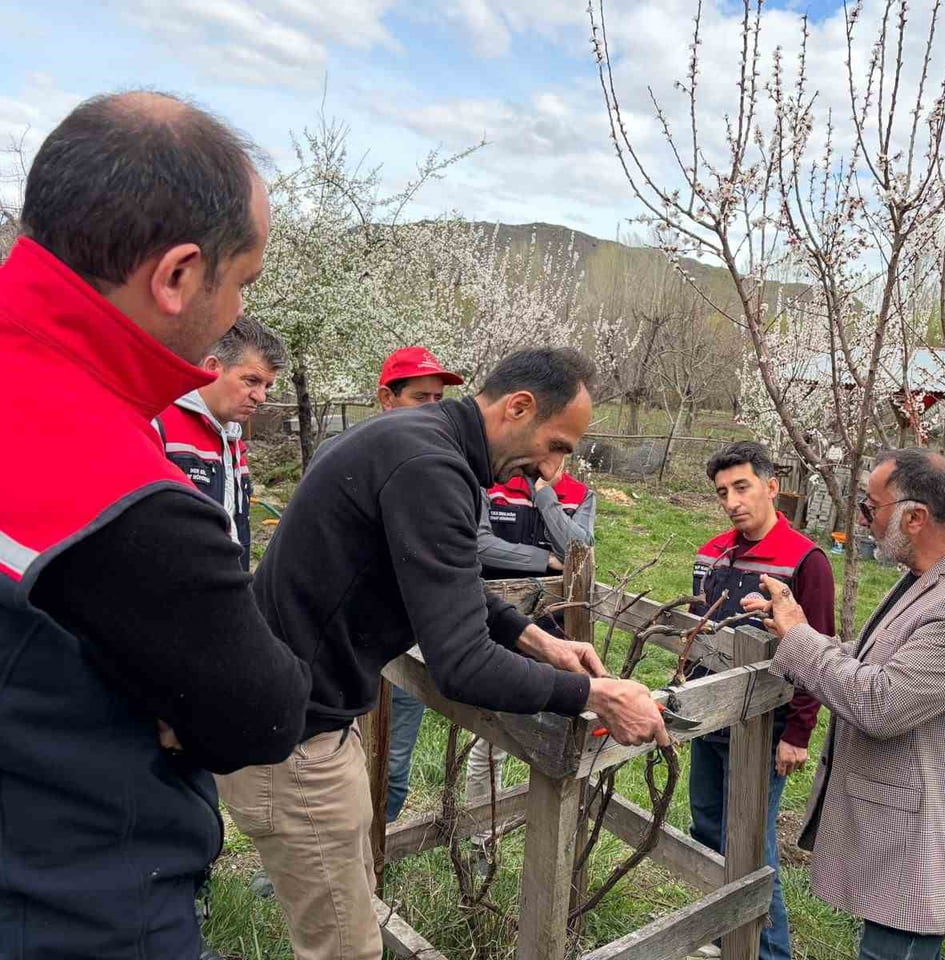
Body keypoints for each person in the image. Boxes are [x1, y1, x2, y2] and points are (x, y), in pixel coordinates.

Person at [218, 346, 668, 960]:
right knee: (344, 949)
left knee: (351, 914)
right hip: (293, 740)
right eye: (559, 445)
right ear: (519, 407)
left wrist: (535, 638)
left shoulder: (416, 440)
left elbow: (441, 578)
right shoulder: (430, 467)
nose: (554, 467)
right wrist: (598, 695)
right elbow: (463, 664)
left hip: (306, 717)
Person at [0, 92, 310, 958]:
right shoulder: (111, 485)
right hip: (75, 909)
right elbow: (263, 712)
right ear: (176, 276)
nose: (234, 314)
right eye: (240, 282)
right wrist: (170, 692)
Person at [745, 448, 945, 960]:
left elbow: (880, 702)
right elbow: (876, 662)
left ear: (914, 517)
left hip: (926, 842)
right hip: (904, 831)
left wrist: (798, 640)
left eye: (870, 507)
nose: (863, 521)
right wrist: (798, 630)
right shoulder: (934, 577)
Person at [686, 441, 833, 960]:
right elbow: (698, 632)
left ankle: (768, 951)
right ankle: (724, 935)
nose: (731, 501)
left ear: (772, 487)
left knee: (751, 842)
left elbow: (820, 652)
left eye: (742, 487)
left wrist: (798, 733)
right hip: (709, 715)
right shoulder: (712, 552)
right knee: (704, 824)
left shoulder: (804, 560)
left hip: (763, 725)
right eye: (723, 492)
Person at [461, 453, 599, 833]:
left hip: (558, 634)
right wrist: (546, 560)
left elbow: (580, 549)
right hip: (498, 630)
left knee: (557, 737)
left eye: (558, 448)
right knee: (488, 739)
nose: (546, 457)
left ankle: (550, 829)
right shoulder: (495, 486)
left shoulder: (580, 495)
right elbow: (480, 545)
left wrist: (544, 497)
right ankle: (482, 833)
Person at [368, 345, 468, 824]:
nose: (434, 410)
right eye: (420, 398)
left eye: (439, 399)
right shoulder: (356, 460)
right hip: (351, 645)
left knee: (392, 763)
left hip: (410, 638)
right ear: (386, 398)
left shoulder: (444, 467)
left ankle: (373, 861)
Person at [158, 316, 287, 570]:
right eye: (251, 381)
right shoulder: (160, 424)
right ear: (212, 367)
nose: (260, 396)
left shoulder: (232, 439)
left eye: (267, 386)